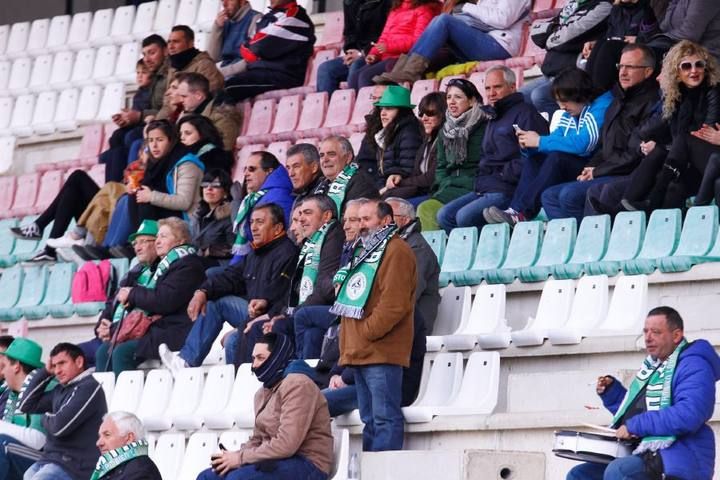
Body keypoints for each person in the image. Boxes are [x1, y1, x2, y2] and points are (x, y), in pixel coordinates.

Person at [566, 306, 720, 480]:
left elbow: (689, 414)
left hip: (678, 455)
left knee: (619, 471)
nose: (648, 338)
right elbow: (638, 413)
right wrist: (612, 394)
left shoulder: (694, 364)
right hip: (646, 452)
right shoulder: (654, 366)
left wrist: (635, 425)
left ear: (676, 336)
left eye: (655, 332)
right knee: (579, 475)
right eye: (645, 331)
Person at [160, 203, 298, 371]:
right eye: (252, 222)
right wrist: (202, 292)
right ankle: (186, 361)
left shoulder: (288, 253)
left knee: (233, 340)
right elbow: (229, 277)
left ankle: (238, 382)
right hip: (252, 313)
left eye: (260, 222)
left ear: (277, 228)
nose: (253, 227)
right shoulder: (254, 253)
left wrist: (262, 310)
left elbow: (285, 296)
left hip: (274, 316)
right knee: (213, 302)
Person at [541, 44, 660, 222]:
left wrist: (598, 171)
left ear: (648, 72)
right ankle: (572, 245)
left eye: (631, 67)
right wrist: (590, 168)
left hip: (630, 173)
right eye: (621, 66)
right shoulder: (617, 101)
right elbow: (604, 145)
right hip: (609, 169)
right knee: (549, 196)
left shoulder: (652, 103)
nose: (623, 72)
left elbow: (634, 154)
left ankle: (590, 242)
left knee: (569, 195)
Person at [334, 199, 416, 451]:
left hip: (380, 351)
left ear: (386, 221)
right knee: (369, 421)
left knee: (384, 419)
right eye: (357, 220)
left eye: (366, 219)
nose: (360, 226)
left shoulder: (396, 250)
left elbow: (394, 304)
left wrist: (367, 332)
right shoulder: (366, 251)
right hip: (361, 352)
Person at [484, 68, 613, 226]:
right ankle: (515, 210)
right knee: (537, 157)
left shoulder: (601, 106)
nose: (562, 107)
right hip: (579, 165)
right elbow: (554, 139)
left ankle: (524, 212)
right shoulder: (570, 112)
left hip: (594, 166)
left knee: (556, 158)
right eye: (558, 102)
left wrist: (540, 141)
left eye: (565, 100)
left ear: (579, 93)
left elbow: (584, 144)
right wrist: (530, 146)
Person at [197, 333, 333, 480]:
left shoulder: (299, 384)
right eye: (253, 358)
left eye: (261, 358)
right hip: (275, 459)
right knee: (207, 476)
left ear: (277, 356)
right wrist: (234, 456)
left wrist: (241, 458)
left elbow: (287, 444)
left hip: (307, 462)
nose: (254, 365)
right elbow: (258, 439)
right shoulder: (262, 393)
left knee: (237, 478)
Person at [436, 66, 548, 231]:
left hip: (508, 188)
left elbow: (534, 157)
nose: (491, 93)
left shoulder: (526, 113)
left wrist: (505, 174)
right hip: (485, 186)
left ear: (512, 86)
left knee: (464, 217)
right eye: (488, 88)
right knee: (445, 216)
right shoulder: (493, 117)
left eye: (497, 87)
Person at [95, 218, 206, 376]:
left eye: (164, 237)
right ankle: (105, 399)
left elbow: (164, 300)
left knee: (122, 352)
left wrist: (132, 294)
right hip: (155, 329)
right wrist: (106, 325)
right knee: (104, 351)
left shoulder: (188, 265)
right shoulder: (154, 268)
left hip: (175, 329)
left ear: (181, 241)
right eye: (158, 237)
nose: (158, 241)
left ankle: (126, 399)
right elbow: (116, 302)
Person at [619, 40, 720, 212]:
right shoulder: (676, 97)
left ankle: (651, 200)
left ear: (706, 67)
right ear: (676, 72)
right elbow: (673, 136)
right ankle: (626, 206)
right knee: (673, 184)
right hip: (688, 156)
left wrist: (668, 148)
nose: (694, 70)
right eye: (687, 66)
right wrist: (662, 146)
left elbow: (703, 134)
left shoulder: (713, 91)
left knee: (672, 150)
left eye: (699, 65)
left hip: (707, 154)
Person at [256, 194, 344, 361]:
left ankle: (297, 376)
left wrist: (292, 313)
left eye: (308, 213)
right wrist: (282, 312)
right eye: (300, 214)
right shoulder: (309, 243)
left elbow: (324, 285)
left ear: (326, 216)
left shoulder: (334, 235)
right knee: (261, 327)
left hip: (328, 307)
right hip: (312, 309)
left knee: (288, 325)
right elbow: (293, 289)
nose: (301, 219)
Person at [374, 0, 529, 85]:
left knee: (444, 21)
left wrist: (465, 5)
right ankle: (403, 70)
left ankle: (410, 72)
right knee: (440, 22)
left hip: (500, 45)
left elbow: (502, 19)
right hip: (485, 40)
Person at [78, 220, 160, 369]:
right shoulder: (133, 273)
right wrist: (101, 326)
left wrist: (113, 329)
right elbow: (111, 304)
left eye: (143, 241)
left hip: (129, 335)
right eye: (135, 243)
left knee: (107, 353)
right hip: (110, 334)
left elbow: (149, 308)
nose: (137, 247)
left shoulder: (160, 271)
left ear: (158, 243)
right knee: (71, 355)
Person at [19, 343, 107, 480]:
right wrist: (45, 373)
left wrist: (44, 418)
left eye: (62, 363)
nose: (57, 371)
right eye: (54, 366)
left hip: (77, 466)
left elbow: (59, 427)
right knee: (27, 475)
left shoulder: (89, 387)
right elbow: (26, 406)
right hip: (53, 460)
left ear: (79, 362)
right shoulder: (60, 389)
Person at [416, 78, 494, 231]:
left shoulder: (486, 126)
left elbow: (488, 162)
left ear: (471, 101)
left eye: (458, 97)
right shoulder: (445, 130)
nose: (452, 102)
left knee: (429, 210)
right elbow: (441, 166)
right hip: (449, 187)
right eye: (449, 97)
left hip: (474, 186)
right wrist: (445, 183)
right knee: (425, 209)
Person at [520, 0, 612, 116]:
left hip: (574, 74)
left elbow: (567, 37)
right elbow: (536, 31)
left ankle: (564, 130)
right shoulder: (574, 5)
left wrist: (551, 36)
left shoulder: (603, 7)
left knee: (540, 96)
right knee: (519, 96)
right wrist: (555, 33)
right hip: (551, 71)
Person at [99, 34, 170, 183]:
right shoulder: (155, 79)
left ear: (165, 51)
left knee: (131, 139)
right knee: (117, 137)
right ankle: (113, 186)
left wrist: (139, 116)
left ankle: (130, 181)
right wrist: (127, 119)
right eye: (144, 54)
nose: (147, 58)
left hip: (159, 124)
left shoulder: (169, 75)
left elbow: (167, 109)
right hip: (147, 121)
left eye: (152, 52)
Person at [221, 0, 316, 103]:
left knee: (228, 87)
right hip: (261, 72)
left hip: (284, 76)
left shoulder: (294, 16)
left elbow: (257, 47)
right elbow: (245, 47)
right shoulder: (266, 18)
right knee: (220, 86)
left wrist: (254, 50)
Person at [348, 0, 440, 90]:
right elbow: (383, 37)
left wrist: (389, 47)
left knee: (365, 77)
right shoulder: (395, 10)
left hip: (402, 58)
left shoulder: (424, 10)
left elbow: (419, 41)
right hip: (386, 57)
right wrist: (374, 54)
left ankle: (375, 104)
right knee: (353, 78)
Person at [386, 197, 440, 332]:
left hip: (412, 324)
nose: (384, 221)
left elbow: (409, 293)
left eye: (389, 216)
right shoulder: (390, 244)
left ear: (405, 219)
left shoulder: (417, 248)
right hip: (391, 318)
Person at [381, 92, 446, 204]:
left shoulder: (445, 140)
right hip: (424, 191)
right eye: (421, 114)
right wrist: (397, 177)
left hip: (438, 193)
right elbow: (416, 173)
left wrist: (401, 182)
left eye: (430, 113)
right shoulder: (427, 140)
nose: (424, 118)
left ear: (443, 114)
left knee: (392, 205)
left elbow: (430, 178)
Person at [316, 0, 391, 95]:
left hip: (376, 54)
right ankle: (330, 108)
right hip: (357, 52)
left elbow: (386, 35)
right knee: (325, 69)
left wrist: (363, 53)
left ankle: (355, 106)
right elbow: (349, 32)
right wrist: (351, 50)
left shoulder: (387, 3)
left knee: (356, 65)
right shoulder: (349, 2)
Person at [231, 152, 294, 261]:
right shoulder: (256, 197)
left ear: (268, 171)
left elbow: (269, 239)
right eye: (244, 169)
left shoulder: (278, 197)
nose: (246, 173)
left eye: (251, 169)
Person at [584, 0, 659, 92]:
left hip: (641, 50)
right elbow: (610, 36)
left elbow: (654, 36)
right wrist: (594, 43)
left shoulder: (648, 8)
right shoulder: (617, 9)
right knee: (600, 45)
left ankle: (597, 93)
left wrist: (638, 40)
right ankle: (587, 92)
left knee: (609, 48)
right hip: (617, 48)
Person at [0, 339, 47, 480]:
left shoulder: (43, 388)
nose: (3, 371)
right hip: (20, 452)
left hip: (44, 459)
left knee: (1, 444)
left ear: (17, 367)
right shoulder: (12, 391)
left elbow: (39, 439)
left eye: (5, 365)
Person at [363, 85, 424, 192]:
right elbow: (382, 172)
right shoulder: (388, 132)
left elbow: (407, 170)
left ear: (402, 112)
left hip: (404, 188)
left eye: (389, 108)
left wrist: (385, 187)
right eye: (382, 108)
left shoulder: (409, 133)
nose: (383, 113)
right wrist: (380, 187)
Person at [314, 136, 379, 217]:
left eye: (331, 154)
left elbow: (354, 220)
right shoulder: (320, 185)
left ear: (348, 157)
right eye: (321, 155)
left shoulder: (361, 182)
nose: (325, 160)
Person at [175, 73, 241, 153]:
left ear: (198, 95)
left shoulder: (222, 116)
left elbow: (222, 151)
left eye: (184, 96)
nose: (181, 100)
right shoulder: (190, 114)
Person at [93, 411, 161, 480]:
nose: (98, 443)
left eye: (107, 435)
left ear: (129, 438)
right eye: (99, 436)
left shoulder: (140, 472)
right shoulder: (112, 467)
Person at [206, 0, 262, 78]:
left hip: (244, 74)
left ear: (242, 1)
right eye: (222, 0)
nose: (224, 4)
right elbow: (212, 57)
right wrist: (217, 27)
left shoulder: (256, 19)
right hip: (225, 72)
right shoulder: (225, 21)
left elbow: (251, 60)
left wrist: (220, 73)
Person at [191, 169, 235, 268]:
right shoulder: (197, 215)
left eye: (216, 185)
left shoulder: (230, 216)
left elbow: (236, 248)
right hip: (200, 262)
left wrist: (210, 250)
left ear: (226, 192)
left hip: (220, 265)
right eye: (205, 184)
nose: (209, 188)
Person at [165, 25, 224, 95]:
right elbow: (167, 99)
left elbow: (208, 97)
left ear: (190, 43)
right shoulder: (172, 67)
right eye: (169, 42)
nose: (171, 46)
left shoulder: (205, 66)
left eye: (176, 42)